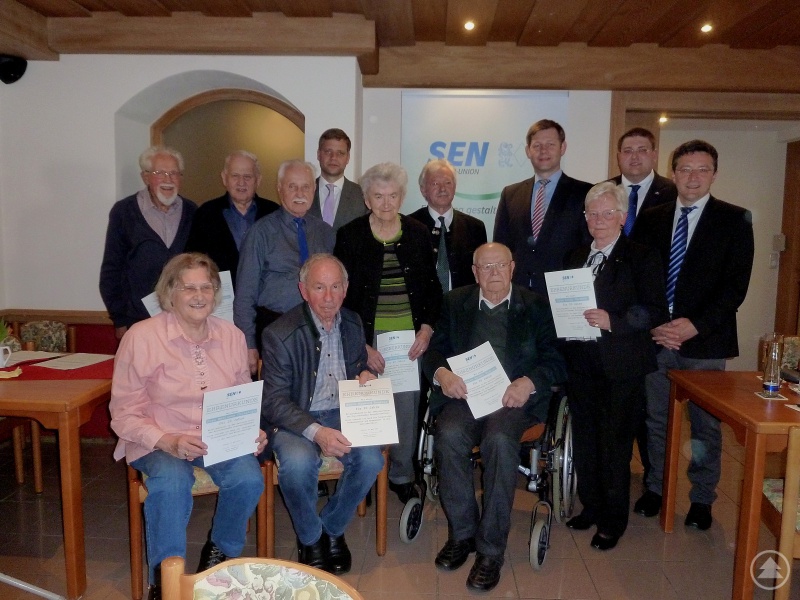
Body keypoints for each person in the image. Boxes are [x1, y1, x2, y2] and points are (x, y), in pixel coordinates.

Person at [110, 253, 267, 600]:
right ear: (169, 292)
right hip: (156, 439)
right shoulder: (141, 337)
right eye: (188, 288)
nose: (199, 295)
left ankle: (219, 557)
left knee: (248, 477)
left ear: (216, 292)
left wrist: (250, 431)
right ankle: (164, 580)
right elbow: (122, 413)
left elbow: (241, 399)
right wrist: (167, 440)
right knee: (172, 482)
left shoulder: (232, 335)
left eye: (206, 287)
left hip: (215, 440)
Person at [424, 242, 565, 592]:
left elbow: (556, 359)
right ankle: (463, 533)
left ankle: (490, 550)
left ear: (513, 268)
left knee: (500, 441)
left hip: (512, 400)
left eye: (500, 266)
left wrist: (528, 382)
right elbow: (434, 351)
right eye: (485, 267)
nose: (494, 273)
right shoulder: (455, 302)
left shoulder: (536, 306)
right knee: (449, 435)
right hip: (466, 396)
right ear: (475, 272)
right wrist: (444, 375)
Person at [632, 140, 754, 530]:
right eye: (685, 169)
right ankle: (657, 488)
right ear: (674, 173)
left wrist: (693, 324)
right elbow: (641, 278)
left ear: (714, 174)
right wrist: (655, 324)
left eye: (702, 170)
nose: (693, 177)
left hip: (704, 342)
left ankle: (701, 498)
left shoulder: (735, 219)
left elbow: (734, 287)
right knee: (656, 420)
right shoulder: (651, 218)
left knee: (705, 426)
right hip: (656, 338)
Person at [259, 254, 384, 574]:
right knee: (299, 463)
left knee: (372, 459)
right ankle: (311, 538)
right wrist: (317, 431)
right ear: (303, 290)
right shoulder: (279, 333)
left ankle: (331, 528)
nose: (328, 297)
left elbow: (357, 367)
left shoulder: (353, 322)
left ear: (345, 289)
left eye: (335, 287)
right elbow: (273, 401)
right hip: (294, 419)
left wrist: (365, 376)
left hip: (342, 411)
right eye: (318, 287)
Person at [561, 182, 669, 551]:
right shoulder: (574, 256)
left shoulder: (642, 256)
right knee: (587, 442)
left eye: (608, 213)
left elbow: (655, 311)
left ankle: (613, 520)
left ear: (623, 218)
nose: (600, 220)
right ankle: (591, 507)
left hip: (622, 368)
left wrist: (614, 320)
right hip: (581, 365)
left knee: (615, 446)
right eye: (593, 213)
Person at [334, 162, 442, 503]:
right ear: (367, 198)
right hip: (366, 338)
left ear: (402, 196)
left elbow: (431, 288)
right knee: (366, 408)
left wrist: (426, 330)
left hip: (408, 340)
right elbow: (342, 298)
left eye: (392, 195)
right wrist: (362, 345)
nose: (385, 203)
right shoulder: (350, 235)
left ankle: (400, 476)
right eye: (378, 196)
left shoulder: (418, 232)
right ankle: (364, 477)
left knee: (405, 411)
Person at [609, 127, 677, 494]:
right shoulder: (604, 192)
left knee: (655, 415)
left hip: (652, 319)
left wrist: (657, 317)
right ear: (618, 156)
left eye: (642, 150)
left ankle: (656, 486)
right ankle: (621, 479)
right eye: (627, 150)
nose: (634, 157)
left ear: (654, 154)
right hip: (613, 323)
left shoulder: (674, 193)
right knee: (623, 412)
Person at [234, 159, 335, 375]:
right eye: (292, 186)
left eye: (306, 187)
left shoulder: (326, 233)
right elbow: (244, 295)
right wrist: (249, 345)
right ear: (280, 189)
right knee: (277, 400)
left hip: (319, 330)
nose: (300, 192)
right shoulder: (259, 233)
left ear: (314, 189)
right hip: (274, 328)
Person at [100, 146, 196, 340]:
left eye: (174, 173)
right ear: (145, 177)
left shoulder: (193, 212)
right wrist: (120, 320)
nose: (168, 179)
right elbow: (111, 270)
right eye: (160, 173)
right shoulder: (124, 212)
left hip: (184, 321)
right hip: (138, 321)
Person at [493, 119, 592, 297]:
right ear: (527, 151)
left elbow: (589, 246)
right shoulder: (510, 194)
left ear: (563, 148)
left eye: (550, 144)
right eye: (537, 145)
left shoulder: (585, 193)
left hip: (564, 294)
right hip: (518, 295)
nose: (543, 151)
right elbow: (501, 246)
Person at [185, 150, 278, 286]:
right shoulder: (206, 213)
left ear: (258, 180)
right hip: (220, 301)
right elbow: (192, 260)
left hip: (265, 301)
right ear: (224, 178)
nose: (241, 182)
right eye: (235, 176)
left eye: (248, 176)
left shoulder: (273, 212)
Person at [408, 159, 487, 293]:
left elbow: (481, 273)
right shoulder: (409, 226)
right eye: (435, 183)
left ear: (454, 187)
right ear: (423, 190)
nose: (442, 189)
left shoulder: (475, 227)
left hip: (462, 308)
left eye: (448, 183)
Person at [308, 128, 368, 231]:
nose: (333, 158)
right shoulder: (304, 191)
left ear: (348, 157)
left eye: (340, 153)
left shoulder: (362, 194)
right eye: (328, 151)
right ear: (318, 154)